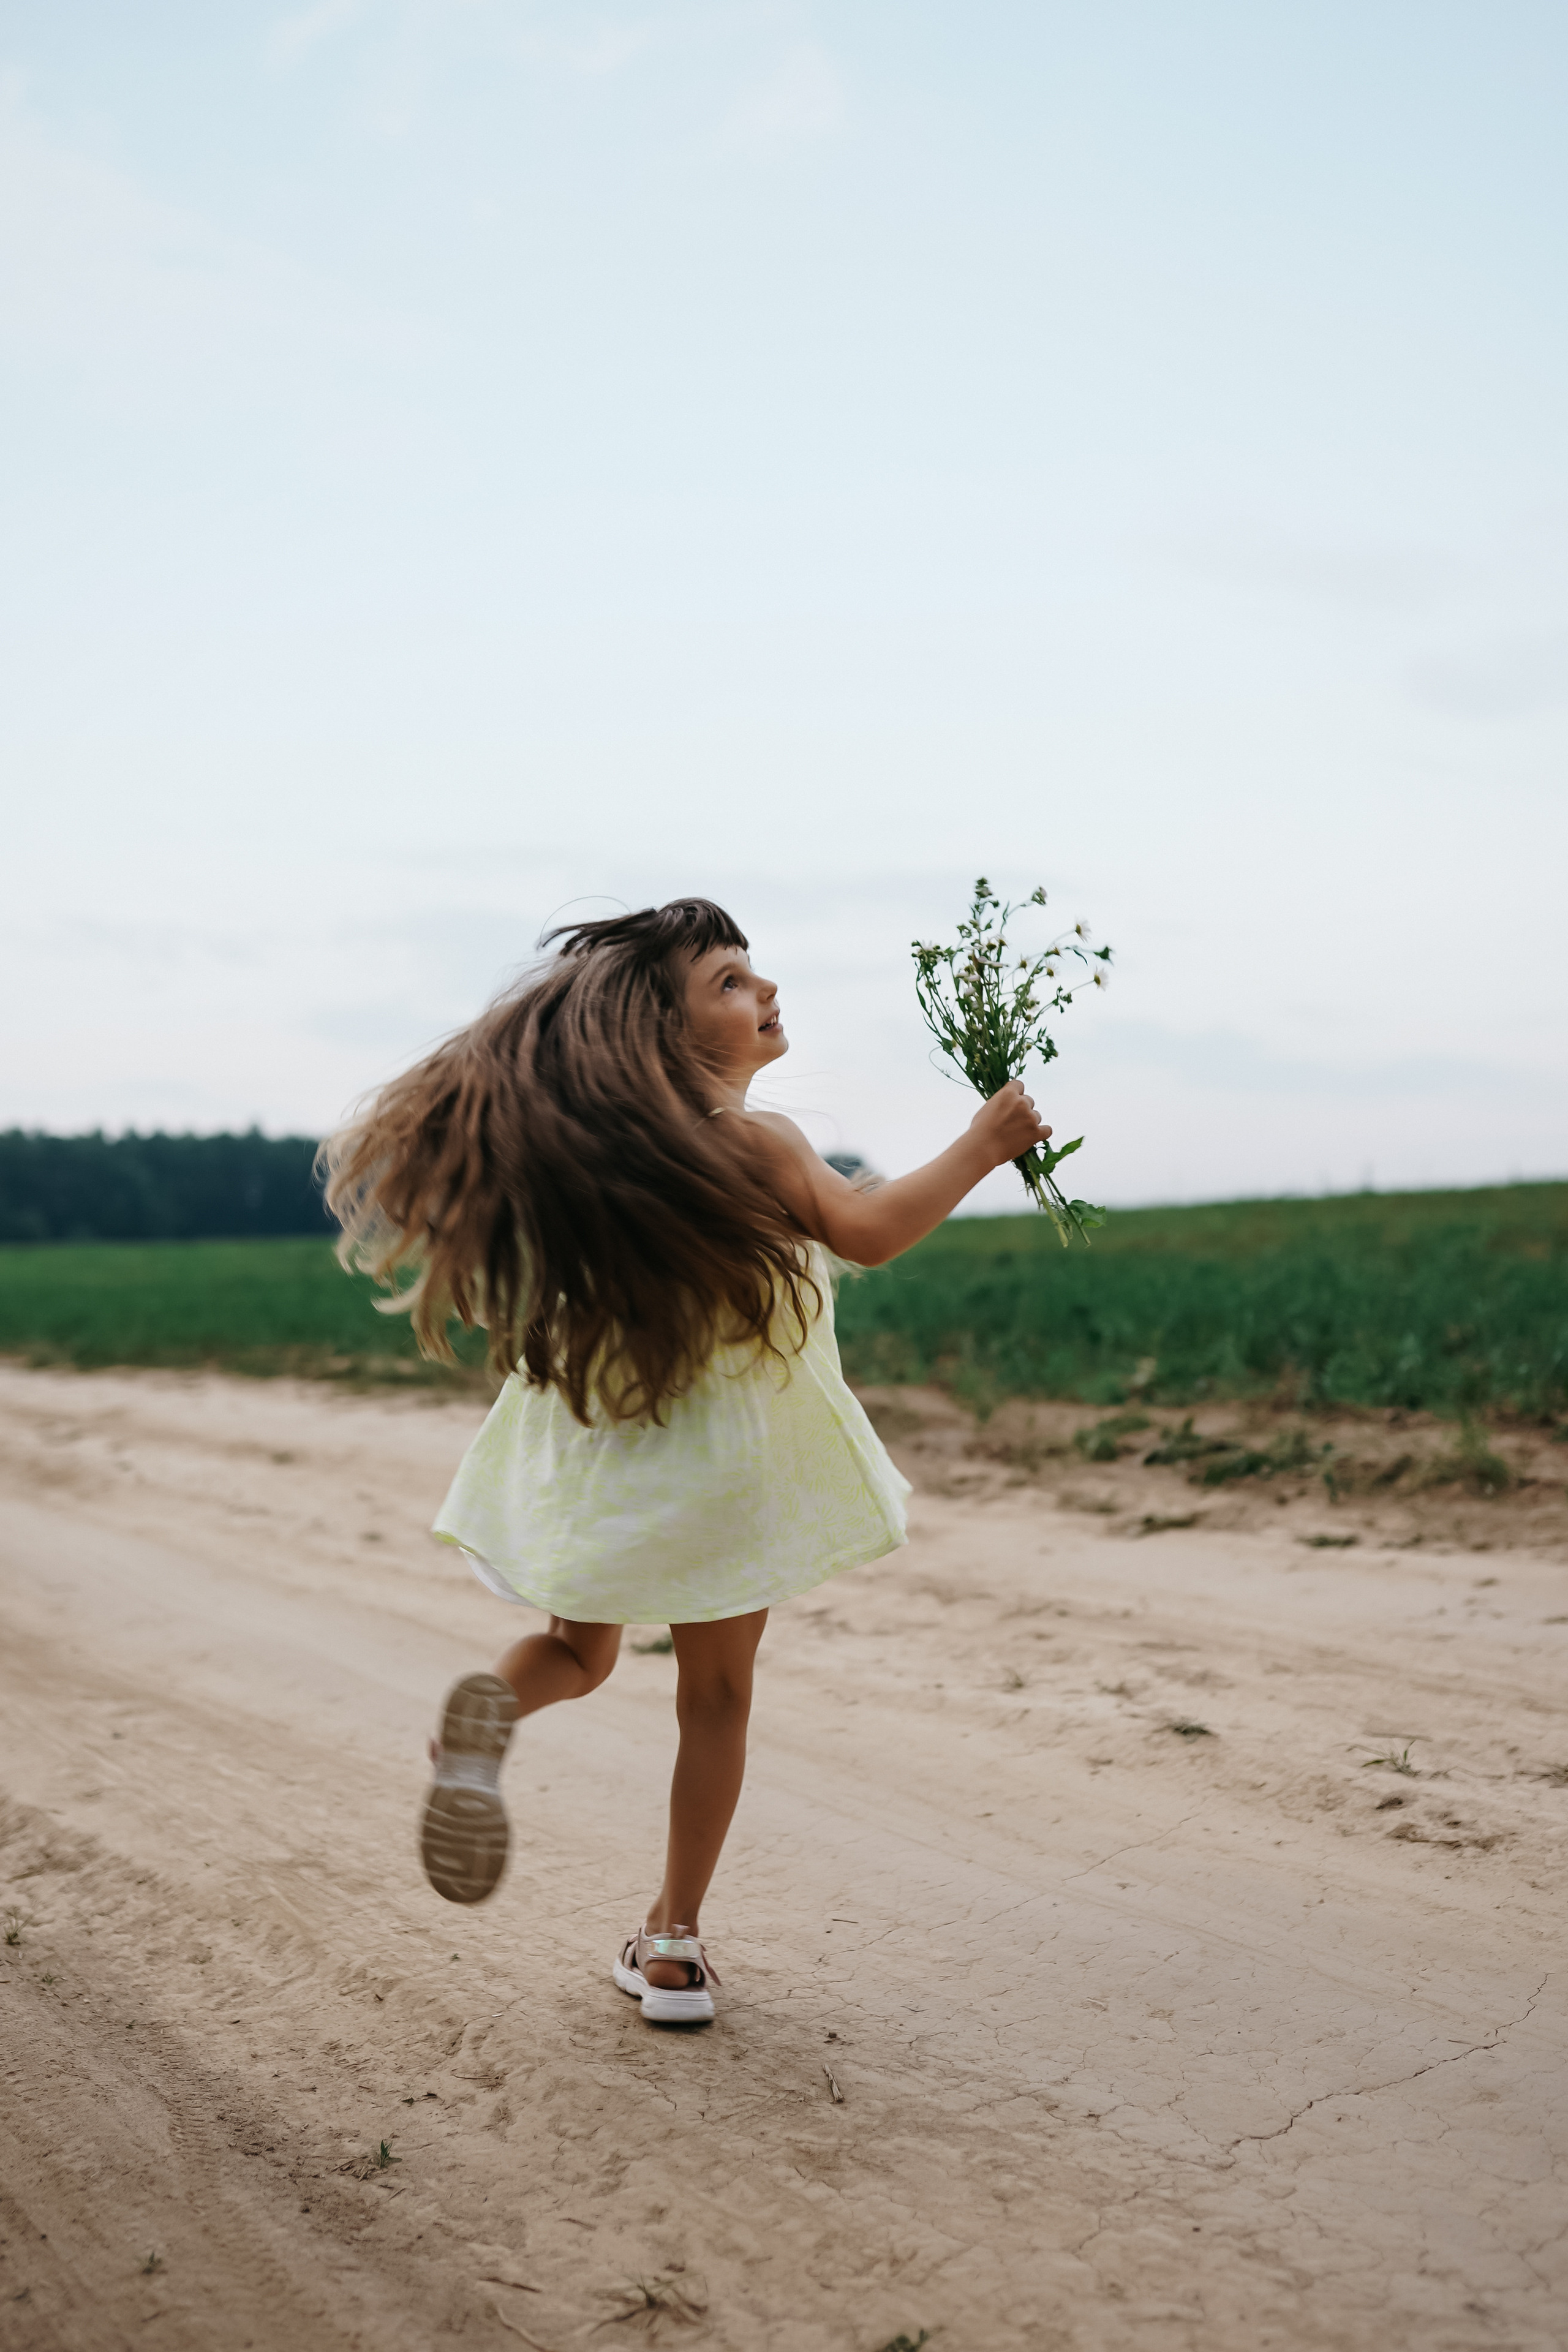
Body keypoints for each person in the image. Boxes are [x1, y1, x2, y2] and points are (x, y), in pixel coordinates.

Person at [322, 899, 1052, 2025]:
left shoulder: (625, 1169)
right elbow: (865, 1232)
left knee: (581, 1652)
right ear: (663, 1033)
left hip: (612, 1454)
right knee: (714, 1698)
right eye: (729, 982)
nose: (763, 994)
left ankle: (495, 1715)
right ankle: (671, 1944)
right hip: (726, 1473)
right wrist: (981, 1146)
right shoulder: (756, 1144)